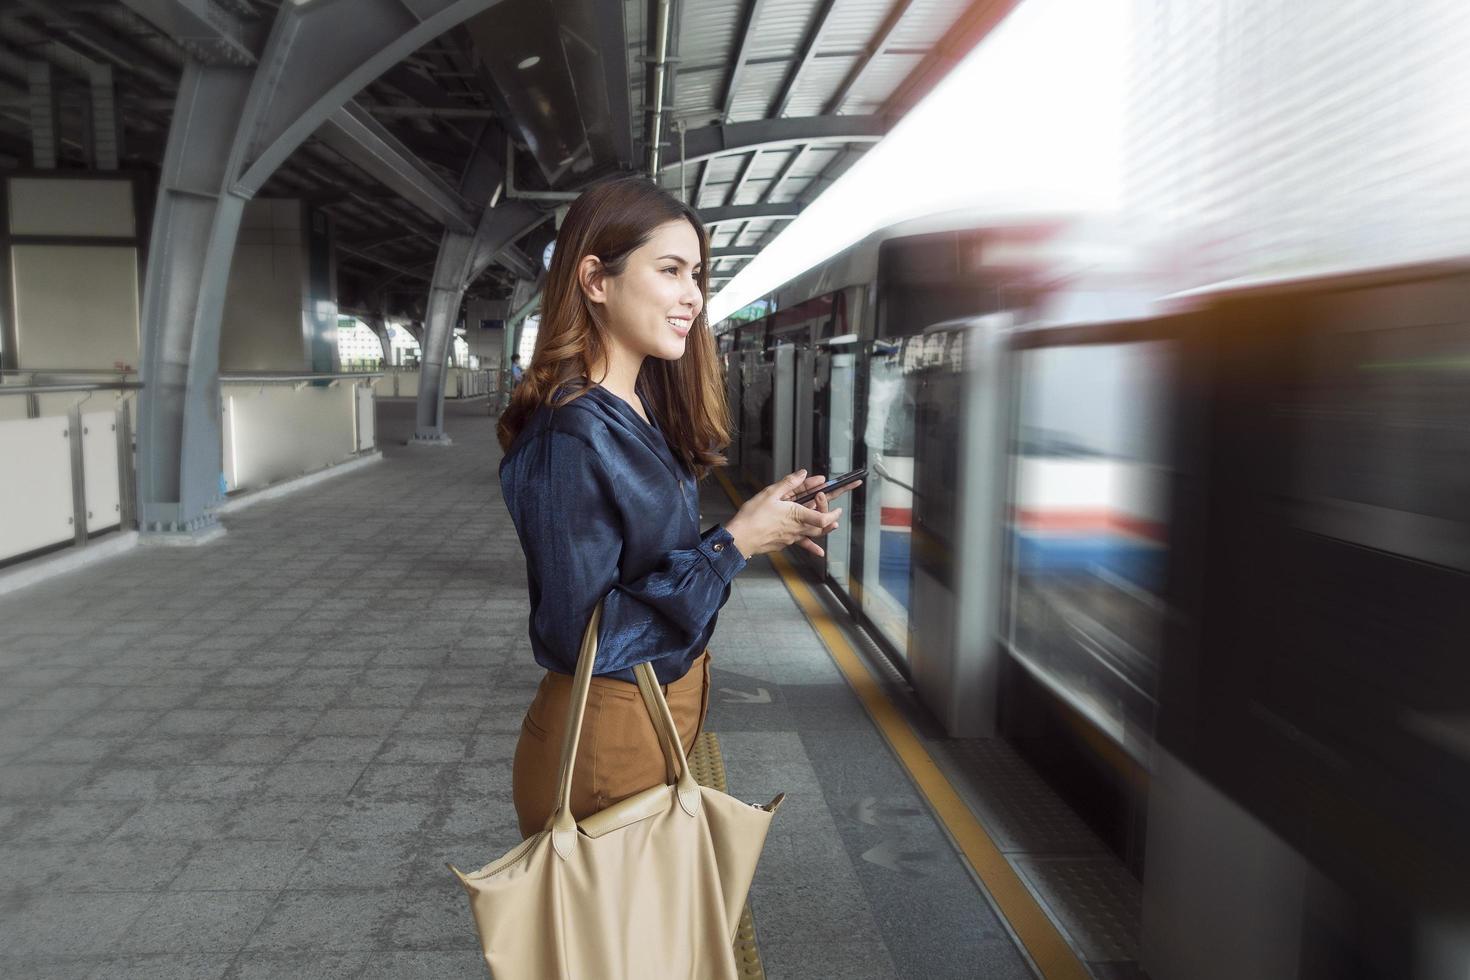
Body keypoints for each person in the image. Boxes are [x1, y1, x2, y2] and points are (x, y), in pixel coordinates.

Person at [496, 176, 858, 839]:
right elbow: (587, 639)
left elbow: (651, 569)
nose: (693, 295)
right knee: (623, 942)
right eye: (670, 270)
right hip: (609, 736)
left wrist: (758, 521)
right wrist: (735, 543)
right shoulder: (571, 435)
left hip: (657, 714)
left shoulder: (638, 412)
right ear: (595, 281)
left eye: (696, 274)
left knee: (649, 937)